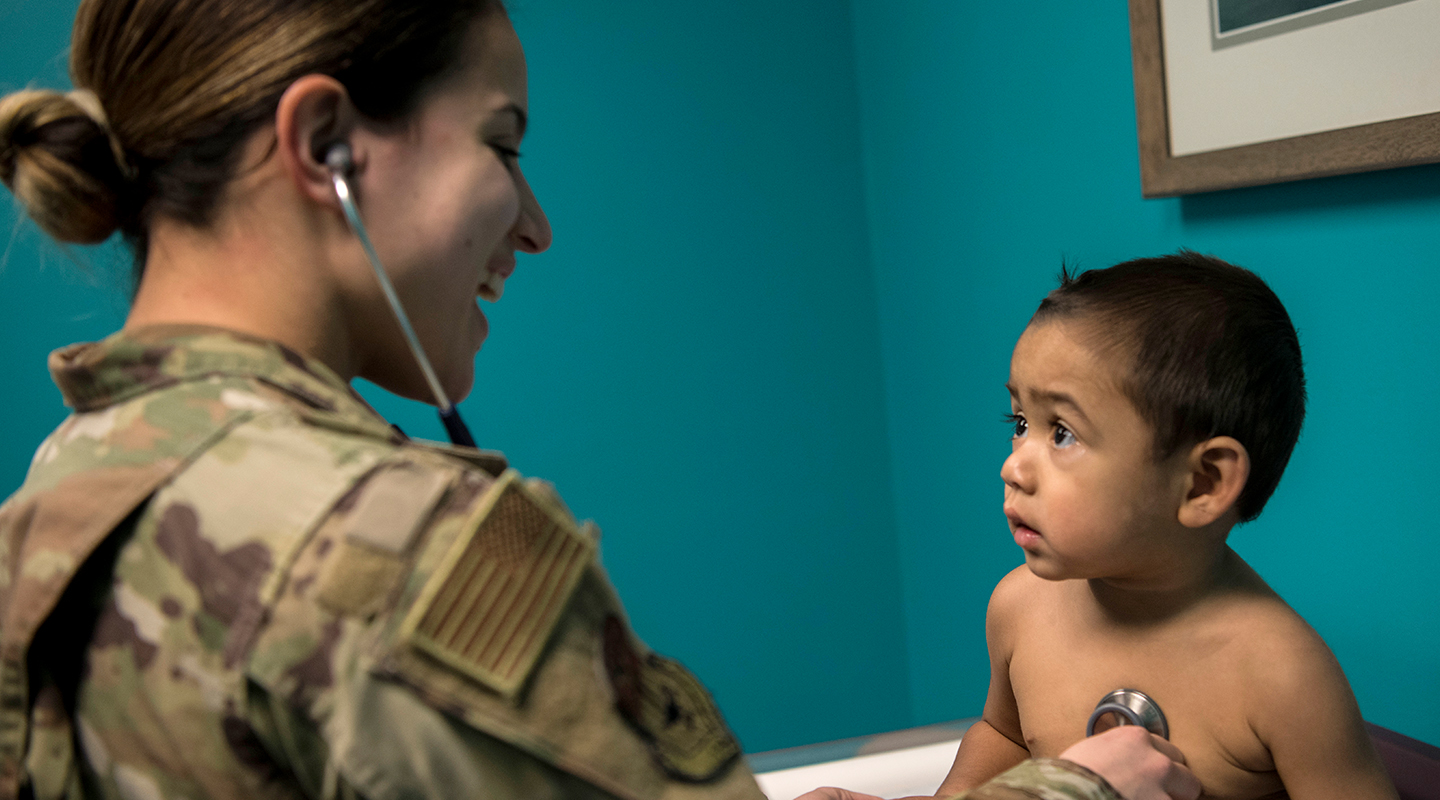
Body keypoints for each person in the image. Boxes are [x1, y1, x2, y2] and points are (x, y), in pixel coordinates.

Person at [0, 0, 1199, 797]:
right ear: (326, 144)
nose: (536, 223)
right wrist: (1089, 787)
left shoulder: (70, 480)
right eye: (504, 145)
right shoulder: (406, 548)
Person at [934, 253, 1397, 799]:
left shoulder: (1280, 675)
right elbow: (1003, 736)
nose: (1013, 467)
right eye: (1020, 423)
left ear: (1201, 483)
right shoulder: (1020, 608)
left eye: (1062, 432)